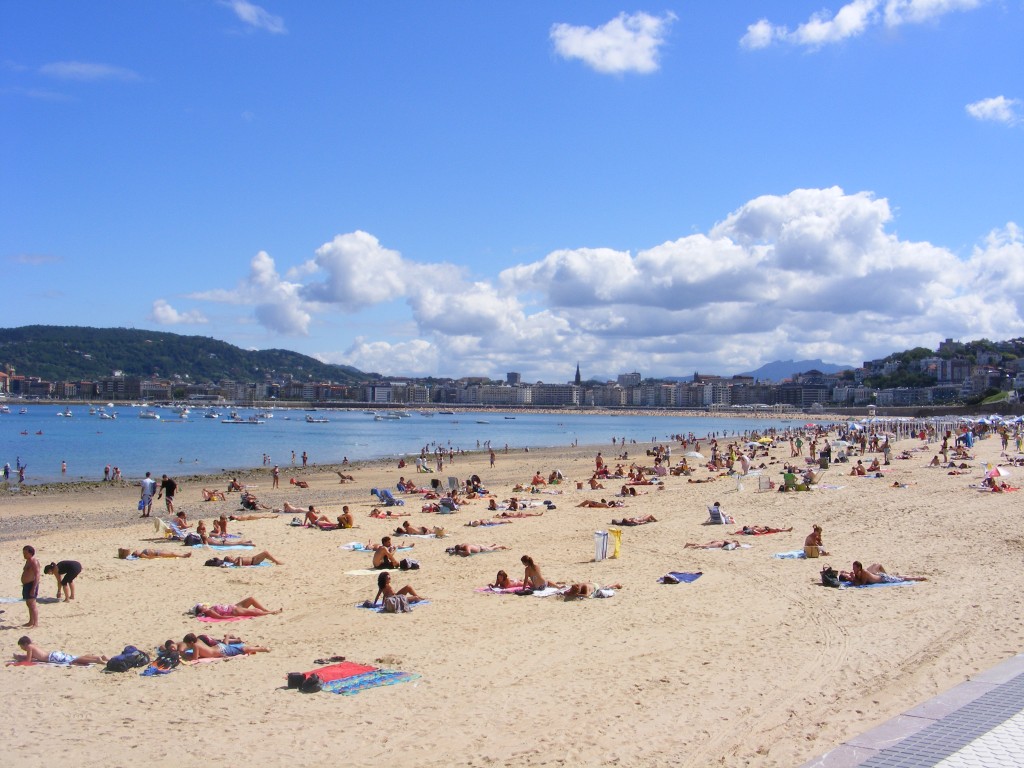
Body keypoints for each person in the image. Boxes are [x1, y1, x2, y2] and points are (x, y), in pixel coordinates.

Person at [15, 636, 108, 666]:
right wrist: (20, 657)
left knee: (74, 660)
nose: (22, 649)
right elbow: (33, 657)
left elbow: (28, 661)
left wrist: (19, 660)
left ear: (25, 644)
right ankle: (101, 657)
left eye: (21, 647)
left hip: (52, 657)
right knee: (74, 657)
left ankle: (96, 660)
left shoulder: (29, 648)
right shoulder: (33, 645)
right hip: (54, 654)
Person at [180, 633, 270, 658]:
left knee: (243, 649)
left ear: (191, 643)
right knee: (237, 648)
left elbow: (195, 659)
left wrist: (184, 655)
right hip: (219, 647)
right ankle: (257, 647)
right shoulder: (198, 640)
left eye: (188, 644)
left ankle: (262, 648)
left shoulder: (195, 646)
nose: (188, 646)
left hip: (220, 650)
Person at [845, 561, 927, 585]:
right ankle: (917, 577)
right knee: (897, 576)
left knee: (901, 579)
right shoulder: (858, 572)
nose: (853, 569)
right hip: (880, 577)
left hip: (883, 579)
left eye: (854, 567)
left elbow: (862, 583)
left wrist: (853, 579)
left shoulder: (864, 572)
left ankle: (918, 578)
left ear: (859, 567)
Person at [192, 597, 282, 618]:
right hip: (233, 611)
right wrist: (233, 617)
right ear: (202, 610)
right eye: (202, 606)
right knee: (254, 612)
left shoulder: (209, 608)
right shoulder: (209, 612)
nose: (204, 605)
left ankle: (266, 610)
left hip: (234, 606)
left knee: (251, 599)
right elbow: (221, 617)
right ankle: (271, 612)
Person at [21, 545, 40, 628]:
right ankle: (31, 621)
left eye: (25, 553)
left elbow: (37, 575)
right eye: (23, 553)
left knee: (32, 604)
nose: (24, 555)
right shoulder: (28, 561)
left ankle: (35, 623)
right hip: (26, 585)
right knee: (28, 604)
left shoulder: (34, 562)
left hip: (31, 585)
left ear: (30, 553)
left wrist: (33, 588)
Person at [220, 551, 284, 566]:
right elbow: (240, 565)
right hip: (253, 561)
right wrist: (239, 559)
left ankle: (275, 561)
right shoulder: (235, 562)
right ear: (229, 561)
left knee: (265, 554)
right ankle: (276, 562)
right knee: (265, 553)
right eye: (230, 557)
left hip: (253, 558)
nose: (232, 557)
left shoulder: (236, 559)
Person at [118, 547, 192, 559]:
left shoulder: (141, 552)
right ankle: (184, 556)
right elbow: (149, 557)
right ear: (136, 554)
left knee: (171, 552)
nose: (136, 550)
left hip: (158, 551)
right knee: (172, 553)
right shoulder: (142, 555)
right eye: (135, 552)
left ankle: (183, 555)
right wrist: (157, 557)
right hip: (158, 554)